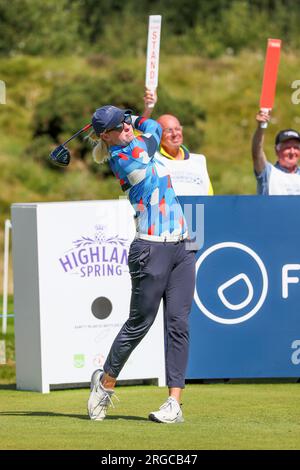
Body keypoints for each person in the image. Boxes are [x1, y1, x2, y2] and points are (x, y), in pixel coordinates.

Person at [87, 105, 196, 424]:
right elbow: (157, 131)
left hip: (184, 245)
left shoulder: (131, 138)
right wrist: (136, 119)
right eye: (116, 126)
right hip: (149, 248)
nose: (124, 127)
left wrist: (130, 117)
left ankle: (174, 403)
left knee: (179, 324)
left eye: (124, 122)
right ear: (105, 136)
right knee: (139, 325)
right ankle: (104, 383)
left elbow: (151, 129)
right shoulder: (124, 158)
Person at [142, 88, 214, 196]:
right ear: (158, 135)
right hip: (168, 212)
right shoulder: (152, 159)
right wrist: (148, 108)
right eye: (168, 130)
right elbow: (137, 136)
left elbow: (209, 195)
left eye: (177, 129)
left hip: (198, 211)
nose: (175, 134)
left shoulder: (199, 160)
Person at [252, 109, 300, 195]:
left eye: (296, 148)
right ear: (277, 150)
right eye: (287, 148)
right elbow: (257, 152)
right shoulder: (268, 173)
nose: (292, 152)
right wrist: (261, 127)